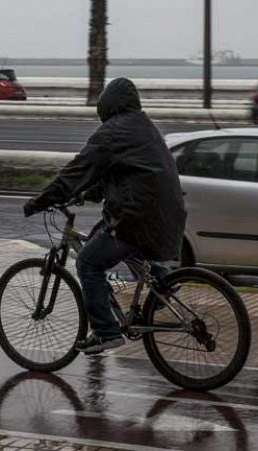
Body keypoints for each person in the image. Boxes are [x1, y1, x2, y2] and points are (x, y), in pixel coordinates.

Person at [23, 77, 187, 354]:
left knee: (88, 262)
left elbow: (77, 171)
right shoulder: (144, 127)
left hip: (139, 219)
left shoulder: (112, 133)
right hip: (167, 217)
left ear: (107, 105)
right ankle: (161, 281)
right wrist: (86, 195)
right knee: (105, 231)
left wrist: (42, 200)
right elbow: (116, 176)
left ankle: (106, 332)